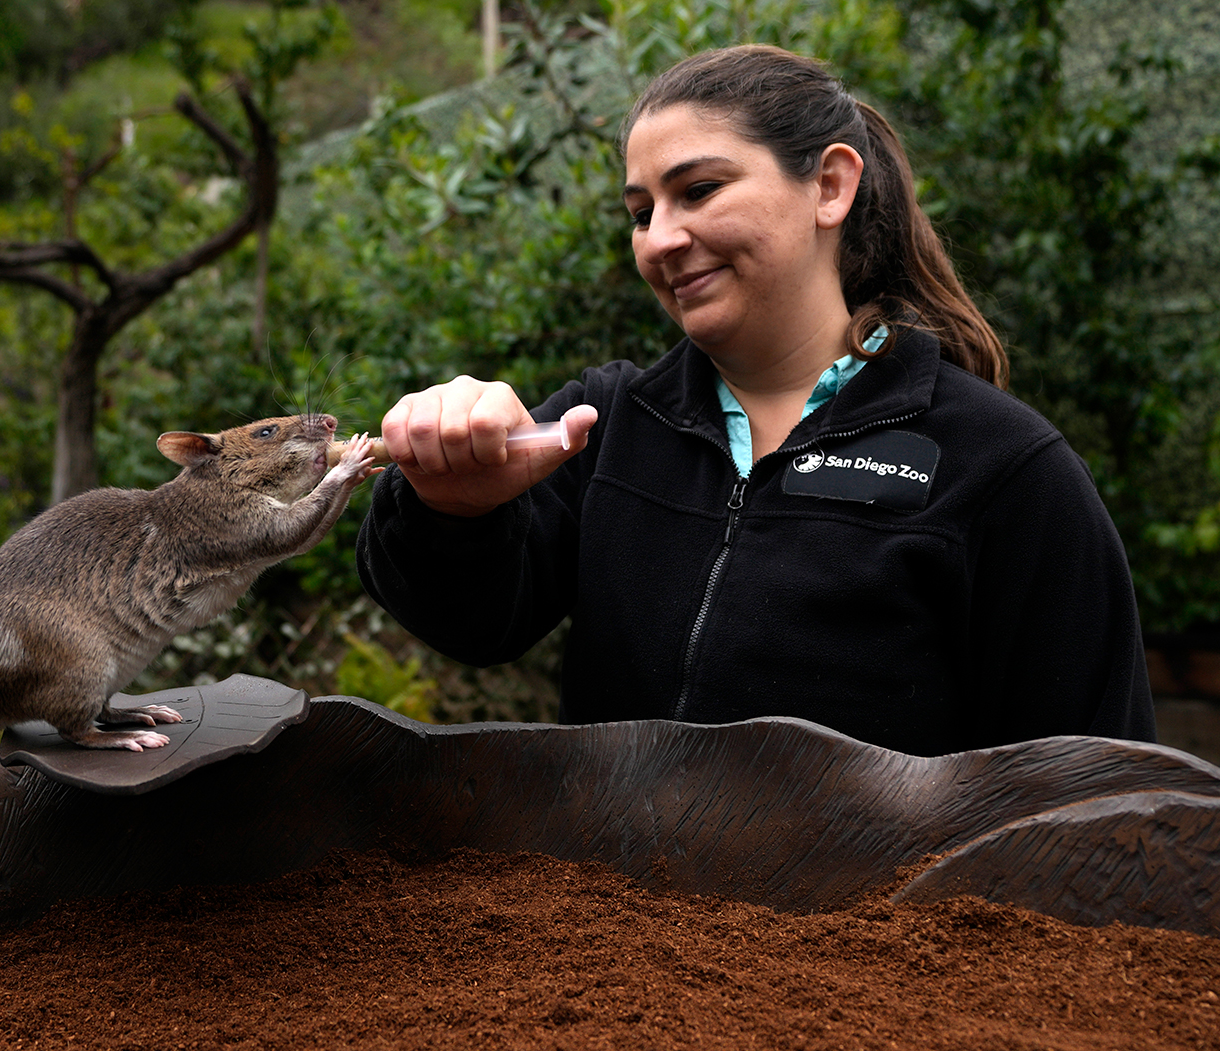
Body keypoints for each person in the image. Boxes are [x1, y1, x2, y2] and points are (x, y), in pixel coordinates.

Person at [355, 44, 1155, 756]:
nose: (660, 239)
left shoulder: (1004, 470)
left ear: (831, 186)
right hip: (611, 917)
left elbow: (1090, 794)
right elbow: (471, 621)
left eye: (698, 190)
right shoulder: (605, 426)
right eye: (641, 213)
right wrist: (450, 508)